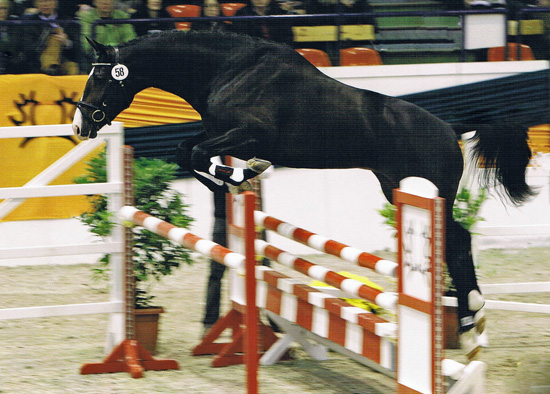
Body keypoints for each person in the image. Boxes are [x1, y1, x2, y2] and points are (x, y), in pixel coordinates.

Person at [20, 0, 79, 75]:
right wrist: (46, 37)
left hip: (63, 60)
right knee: (54, 39)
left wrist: (66, 42)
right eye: (41, 1)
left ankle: (52, 68)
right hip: (37, 61)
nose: (45, 4)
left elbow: (78, 48)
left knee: (73, 67)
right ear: (35, 4)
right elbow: (28, 48)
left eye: (49, 1)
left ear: (56, 3)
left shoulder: (68, 21)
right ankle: (51, 67)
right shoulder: (29, 22)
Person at [79, 0, 137, 71]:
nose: (105, 2)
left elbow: (131, 41)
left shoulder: (123, 16)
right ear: (94, 2)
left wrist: (117, 55)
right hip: (96, 62)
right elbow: (87, 45)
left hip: (120, 61)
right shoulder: (87, 18)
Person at [229, 0, 294, 46]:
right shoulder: (241, 14)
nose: (259, 0)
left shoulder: (280, 13)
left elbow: (288, 36)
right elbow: (240, 39)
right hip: (253, 52)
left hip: (277, 50)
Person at [0, 0, 23, 73]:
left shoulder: (15, 23)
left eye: (3, 8)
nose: (0, 11)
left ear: (8, 10)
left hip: (10, 56)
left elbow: (16, 45)